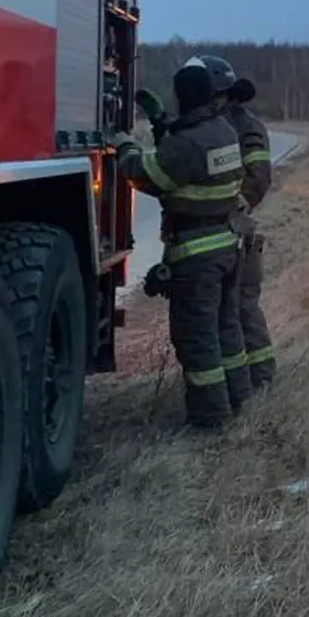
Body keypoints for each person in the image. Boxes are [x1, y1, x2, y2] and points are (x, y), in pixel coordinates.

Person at [110, 58, 247, 428]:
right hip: (227, 246)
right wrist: (161, 125)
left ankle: (210, 419)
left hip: (198, 255)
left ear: (181, 96)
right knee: (226, 330)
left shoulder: (190, 144)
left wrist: (124, 146)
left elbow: (146, 174)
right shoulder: (223, 131)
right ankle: (239, 399)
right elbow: (186, 156)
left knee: (197, 340)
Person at [199, 55, 278, 396]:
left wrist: (234, 208)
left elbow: (259, 178)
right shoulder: (208, 126)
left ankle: (261, 378)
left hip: (237, 234)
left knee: (243, 307)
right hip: (216, 236)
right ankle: (236, 383)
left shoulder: (247, 127)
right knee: (222, 314)